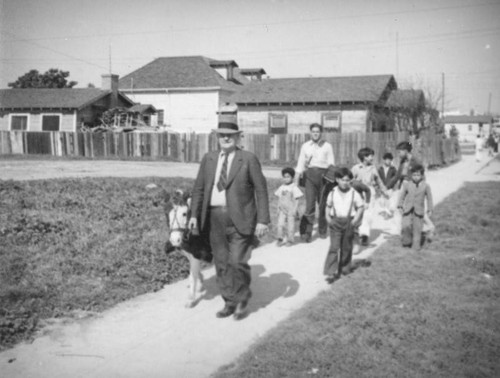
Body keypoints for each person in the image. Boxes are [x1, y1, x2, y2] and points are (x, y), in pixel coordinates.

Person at [188, 121, 270, 320]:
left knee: (237, 262)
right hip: (214, 219)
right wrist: (193, 215)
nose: (225, 138)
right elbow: (199, 189)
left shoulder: (248, 159)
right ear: (217, 137)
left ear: (238, 137)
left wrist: (263, 220)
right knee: (222, 262)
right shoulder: (209, 159)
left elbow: (260, 189)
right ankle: (229, 301)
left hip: (241, 219)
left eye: (230, 135)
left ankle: (240, 298)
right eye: (222, 135)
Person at [324, 167, 364, 283]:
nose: (345, 182)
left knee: (346, 247)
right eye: (343, 180)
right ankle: (331, 272)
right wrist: (327, 218)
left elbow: (360, 207)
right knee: (334, 247)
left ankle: (345, 269)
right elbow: (328, 206)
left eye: (347, 180)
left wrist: (355, 220)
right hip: (335, 222)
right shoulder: (332, 192)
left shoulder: (354, 193)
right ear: (337, 180)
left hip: (349, 222)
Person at [295, 123, 335, 242]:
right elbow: (300, 164)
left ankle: (322, 230)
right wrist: (296, 182)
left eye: (317, 131)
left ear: (321, 133)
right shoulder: (305, 146)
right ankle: (307, 233)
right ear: (310, 132)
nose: (315, 133)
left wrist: (330, 181)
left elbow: (331, 164)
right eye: (313, 131)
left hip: (324, 177)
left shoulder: (327, 146)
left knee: (323, 205)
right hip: (310, 177)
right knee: (309, 206)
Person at [351, 147, 387, 246]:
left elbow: (379, 181)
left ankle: (364, 236)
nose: (372, 158)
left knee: (368, 215)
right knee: (357, 213)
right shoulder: (356, 168)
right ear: (364, 157)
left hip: (370, 193)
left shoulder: (373, 168)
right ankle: (354, 233)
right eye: (370, 156)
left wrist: (384, 191)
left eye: (372, 155)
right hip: (358, 193)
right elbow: (350, 181)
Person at [397, 164, 433, 250]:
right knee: (406, 225)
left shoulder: (426, 186)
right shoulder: (407, 185)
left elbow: (429, 198)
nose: (416, 177)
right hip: (408, 210)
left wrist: (430, 209)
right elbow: (402, 196)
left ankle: (416, 246)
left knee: (417, 229)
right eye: (414, 175)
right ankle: (407, 241)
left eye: (418, 175)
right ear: (411, 175)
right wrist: (400, 205)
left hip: (419, 211)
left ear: (422, 175)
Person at [274, 167, 303, 247]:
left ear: (292, 178)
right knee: (280, 225)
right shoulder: (281, 187)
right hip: (282, 210)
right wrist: (277, 208)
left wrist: (295, 209)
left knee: (290, 226)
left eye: (288, 177)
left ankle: (290, 240)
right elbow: (279, 198)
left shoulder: (294, 187)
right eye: (284, 177)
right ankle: (280, 239)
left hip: (291, 210)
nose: (286, 179)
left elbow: (297, 199)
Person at [377, 152, 398, 218]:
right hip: (382, 188)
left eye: (390, 160)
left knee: (389, 201)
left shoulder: (393, 169)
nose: (389, 161)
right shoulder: (380, 169)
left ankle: (389, 215)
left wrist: (394, 187)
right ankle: (383, 214)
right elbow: (377, 178)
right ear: (384, 160)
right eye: (387, 159)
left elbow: (396, 179)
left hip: (390, 188)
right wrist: (379, 188)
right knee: (382, 201)